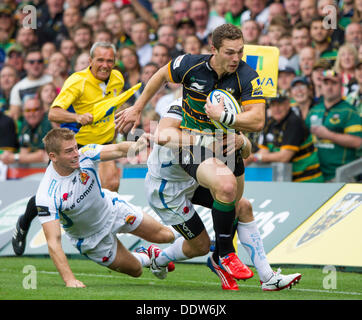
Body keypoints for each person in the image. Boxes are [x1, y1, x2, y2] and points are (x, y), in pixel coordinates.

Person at [116, 24, 266, 281]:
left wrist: (234, 131)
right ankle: (176, 256)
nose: (236, 58)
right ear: (214, 50)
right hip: (169, 184)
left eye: (240, 52)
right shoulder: (181, 99)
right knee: (199, 244)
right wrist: (138, 107)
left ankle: (251, 269)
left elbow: (256, 125)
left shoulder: (242, 83)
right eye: (229, 52)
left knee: (238, 201)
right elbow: (165, 134)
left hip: (196, 168)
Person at [144, 98, 302, 290]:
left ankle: (268, 277)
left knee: (242, 206)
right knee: (200, 246)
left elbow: (246, 152)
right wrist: (208, 140)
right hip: (168, 188)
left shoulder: (222, 105)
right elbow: (162, 135)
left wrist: (242, 141)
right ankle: (159, 259)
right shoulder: (181, 106)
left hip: (194, 179)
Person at [12, 42, 125, 256]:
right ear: (90, 61)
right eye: (100, 60)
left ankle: (104, 233)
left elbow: (112, 104)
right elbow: (53, 113)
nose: (105, 65)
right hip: (75, 145)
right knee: (50, 198)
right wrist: (77, 117)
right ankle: (23, 223)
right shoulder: (77, 82)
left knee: (112, 182)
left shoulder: (117, 78)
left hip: (103, 143)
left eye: (109, 60)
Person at [35, 127, 175, 287]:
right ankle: (147, 256)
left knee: (166, 236)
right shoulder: (46, 194)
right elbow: (53, 242)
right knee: (137, 270)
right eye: (68, 151)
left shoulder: (85, 154)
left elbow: (116, 149)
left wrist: (138, 146)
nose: (75, 154)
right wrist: (70, 280)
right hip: (91, 239)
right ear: (53, 156)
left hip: (113, 210)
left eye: (75, 147)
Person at [305, 70, 362, 181]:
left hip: (341, 176)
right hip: (315, 176)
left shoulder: (349, 111)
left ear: (341, 86)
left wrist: (328, 135)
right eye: (326, 84)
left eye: (334, 83)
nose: (329, 87)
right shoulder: (314, 110)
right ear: (321, 86)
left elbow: (358, 142)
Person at [253, 93, 324, 182]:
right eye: (273, 105)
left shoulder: (294, 122)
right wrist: (255, 157)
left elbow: (284, 157)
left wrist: (256, 157)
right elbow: (263, 150)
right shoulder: (270, 123)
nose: (276, 109)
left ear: (287, 104)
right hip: (289, 180)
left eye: (280, 104)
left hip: (309, 180)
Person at [0, 97, 51, 166]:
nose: (31, 114)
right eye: (28, 110)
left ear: (42, 110)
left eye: (35, 110)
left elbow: (42, 155)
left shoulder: (48, 123)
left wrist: (14, 157)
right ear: (23, 112)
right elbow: (24, 152)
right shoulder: (25, 124)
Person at [8, 48, 53, 121]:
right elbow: (14, 115)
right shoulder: (18, 88)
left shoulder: (52, 80)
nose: (36, 64)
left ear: (43, 64)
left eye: (39, 61)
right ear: (25, 65)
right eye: (31, 62)